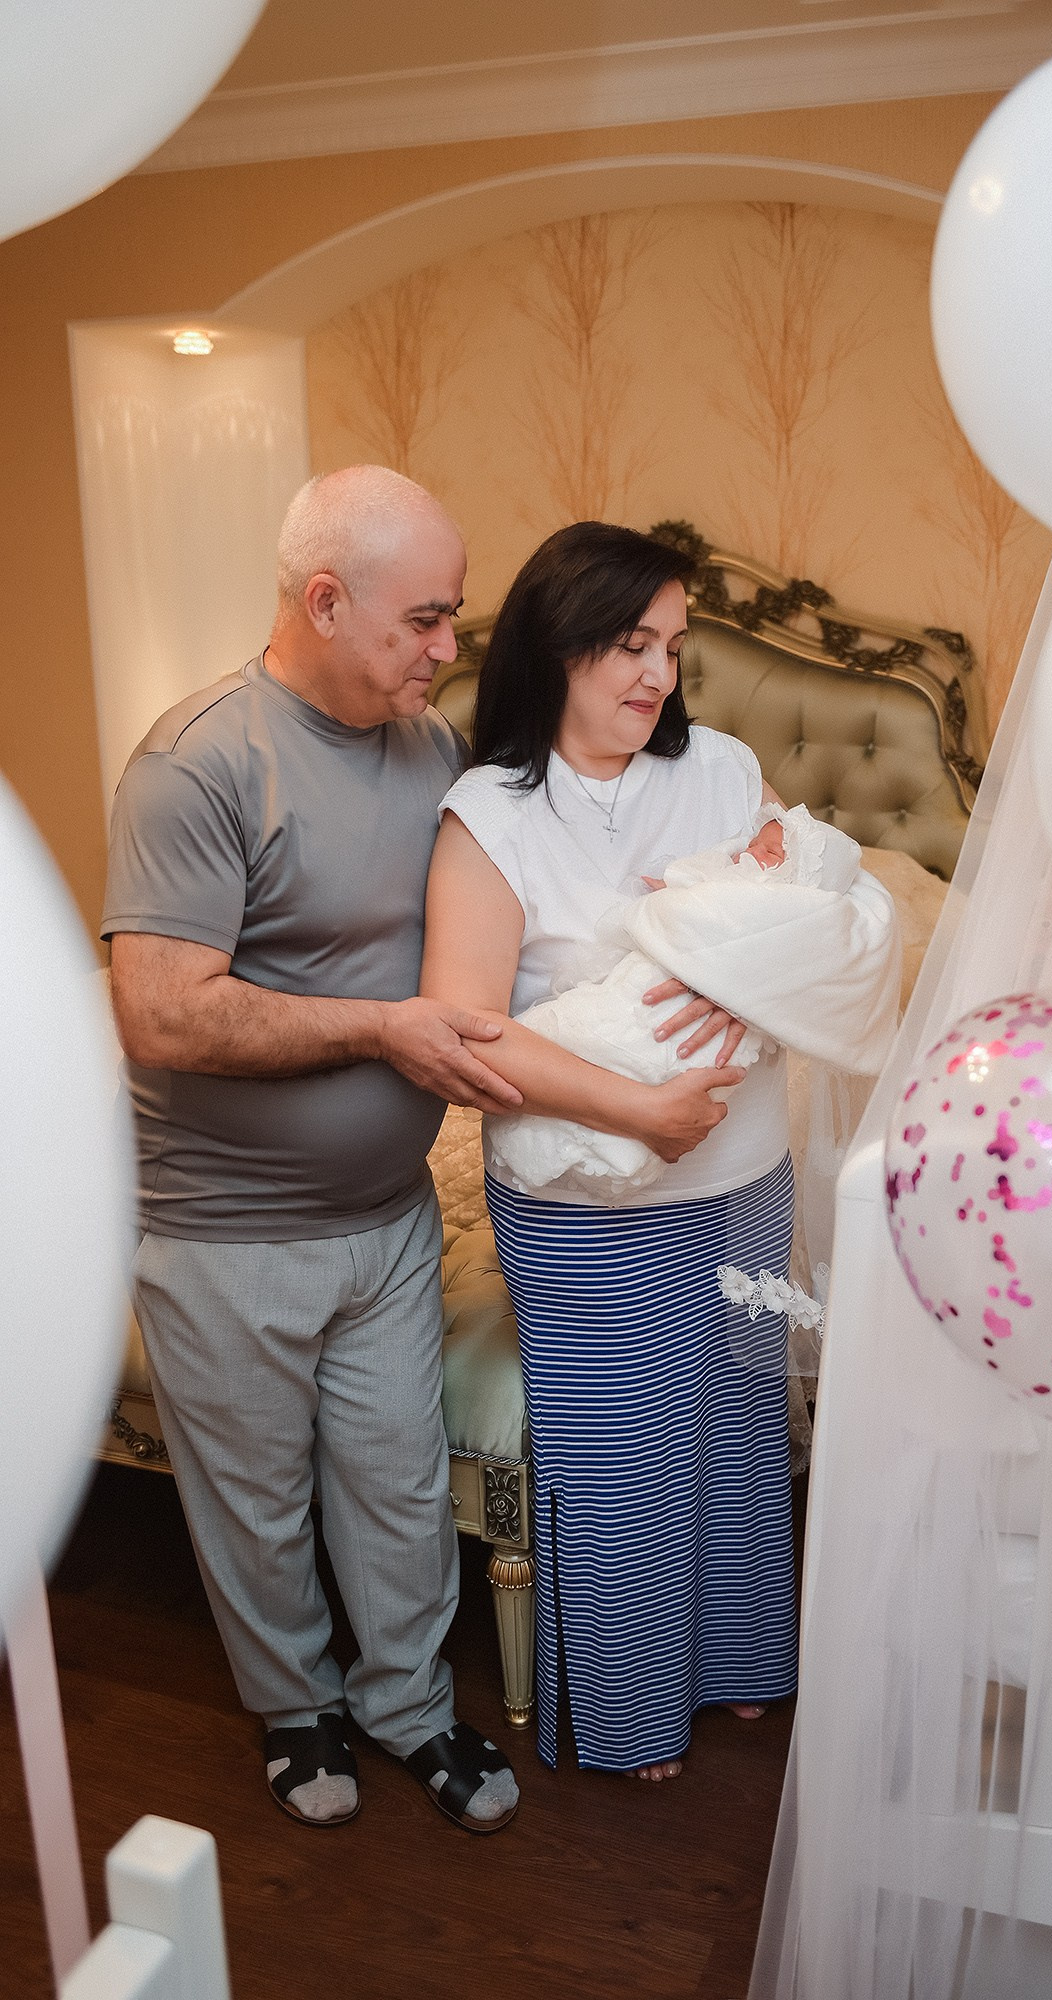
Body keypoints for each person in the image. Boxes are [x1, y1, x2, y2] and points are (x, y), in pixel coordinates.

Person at [103, 465, 521, 1833]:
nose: (446, 649)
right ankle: (295, 1707)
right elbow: (163, 1013)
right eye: (424, 620)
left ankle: (409, 1705)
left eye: (454, 617)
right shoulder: (198, 762)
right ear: (325, 601)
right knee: (258, 1505)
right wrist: (383, 1031)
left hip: (388, 1216)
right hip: (226, 1231)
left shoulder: (434, 750)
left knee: (399, 1486)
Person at [420, 520, 800, 1781]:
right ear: (558, 643)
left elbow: (801, 919)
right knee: (625, 1455)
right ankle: (635, 1710)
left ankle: (742, 1658)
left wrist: (763, 960)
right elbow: (467, 1028)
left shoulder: (724, 771)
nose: (657, 674)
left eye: (674, 647)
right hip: (586, 1196)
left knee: (737, 1421)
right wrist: (639, 1110)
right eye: (632, 643)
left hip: (742, 1172)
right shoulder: (489, 814)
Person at [485, 802, 900, 1198]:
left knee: (670, 1057)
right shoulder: (490, 811)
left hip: (748, 1172)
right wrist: (681, 892)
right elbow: (690, 909)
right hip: (647, 981)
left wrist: (751, 980)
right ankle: (568, 1087)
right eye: (753, 843)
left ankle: (610, 1143)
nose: (751, 853)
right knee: (596, 1027)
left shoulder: (788, 895)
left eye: (771, 852)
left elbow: (824, 932)